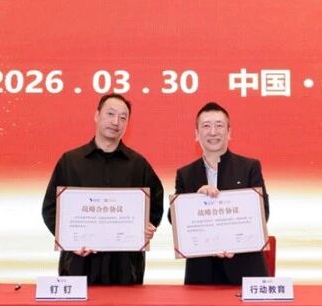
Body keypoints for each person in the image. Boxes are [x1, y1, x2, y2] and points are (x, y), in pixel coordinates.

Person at [42, 93, 163, 285]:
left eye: (123, 117)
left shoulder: (138, 165)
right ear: (97, 115)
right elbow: (50, 209)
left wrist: (146, 228)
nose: (116, 122)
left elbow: (155, 205)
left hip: (125, 266)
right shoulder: (70, 162)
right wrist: (69, 240)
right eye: (110, 114)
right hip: (79, 263)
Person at [173, 101, 270, 285]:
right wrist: (195, 201)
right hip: (202, 272)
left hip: (246, 268)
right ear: (196, 134)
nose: (213, 132)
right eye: (206, 126)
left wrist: (234, 241)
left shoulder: (249, 167)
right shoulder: (185, 174)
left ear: (229, 132)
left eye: (219, 125)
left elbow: (263, 212)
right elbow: (175, 219)